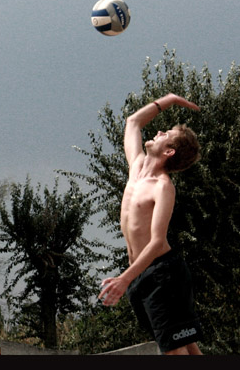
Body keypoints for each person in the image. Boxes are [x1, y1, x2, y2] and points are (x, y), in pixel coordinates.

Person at [98, 93, 203, 355]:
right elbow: (133, 122)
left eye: (165, 134)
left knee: (174, 351)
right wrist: (169, 99)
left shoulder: (163, 187)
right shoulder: (136, 168)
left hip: (162, 274)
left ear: (169, 152)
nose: (157, 131)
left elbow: (157, 242)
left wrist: (123, 280)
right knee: (185, 347)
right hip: (144, 275)